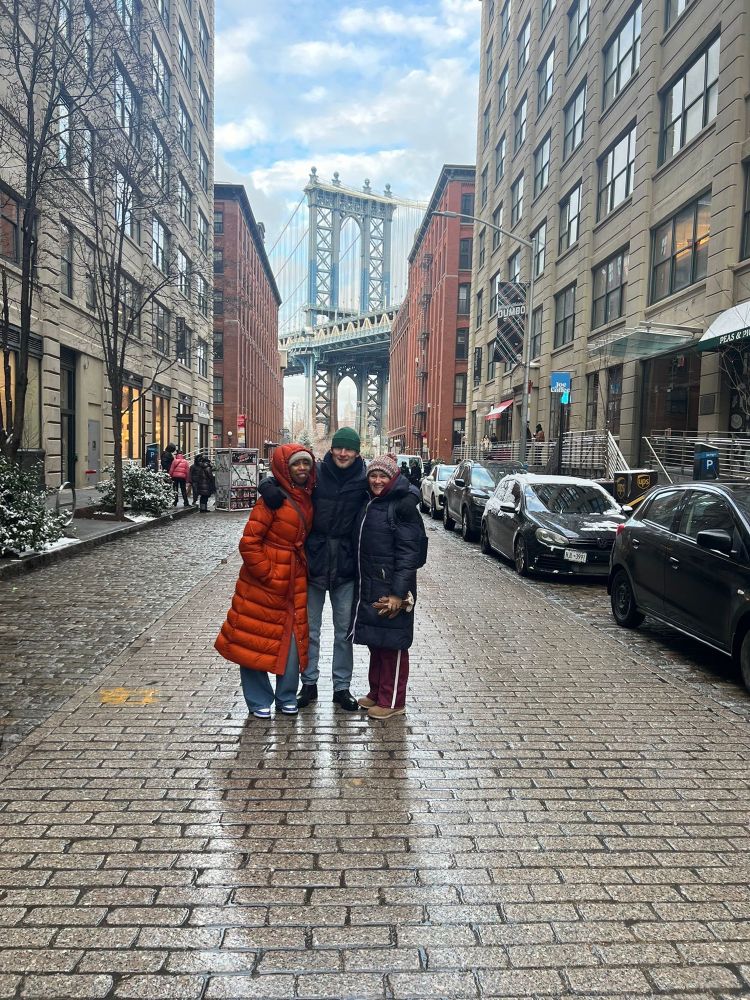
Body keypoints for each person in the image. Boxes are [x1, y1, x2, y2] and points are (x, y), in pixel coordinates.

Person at [259, 426, 369, 711]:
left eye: (349, 448)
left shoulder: (365, 478)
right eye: (339, 447)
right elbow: (285, 478)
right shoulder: (316, 473)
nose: (343, 453)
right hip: (314, 561)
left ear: (357, 451)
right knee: (309, 630)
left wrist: (409, 496)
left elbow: (390, 487)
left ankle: (341, 688)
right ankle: (309, 684)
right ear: (332, 449)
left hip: (346, 565)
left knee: (344, 631)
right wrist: (266, 487)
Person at [215, 444, 316, 718]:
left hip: (294, 578)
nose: (302, 469)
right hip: (264, 583)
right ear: (285, 467)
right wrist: (268, 574)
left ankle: (286, 696)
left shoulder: (307, 495)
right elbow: (249, 542)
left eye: (306, 463)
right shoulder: (270, 500)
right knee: (253, 639)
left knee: (293, 639)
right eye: (296, 464)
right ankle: (259, 699)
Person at [350, 454, 424, 719]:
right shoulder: (372, 501)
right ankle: (377, 692)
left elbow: (408, 554)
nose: (377, 480)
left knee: (392, 645)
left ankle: (393, 701)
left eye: (383, 476)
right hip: (370, 582)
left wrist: (398, 593)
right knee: (377, 643)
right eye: (373, 475)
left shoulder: (401, 505)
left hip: (392, 587)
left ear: (393, 477)